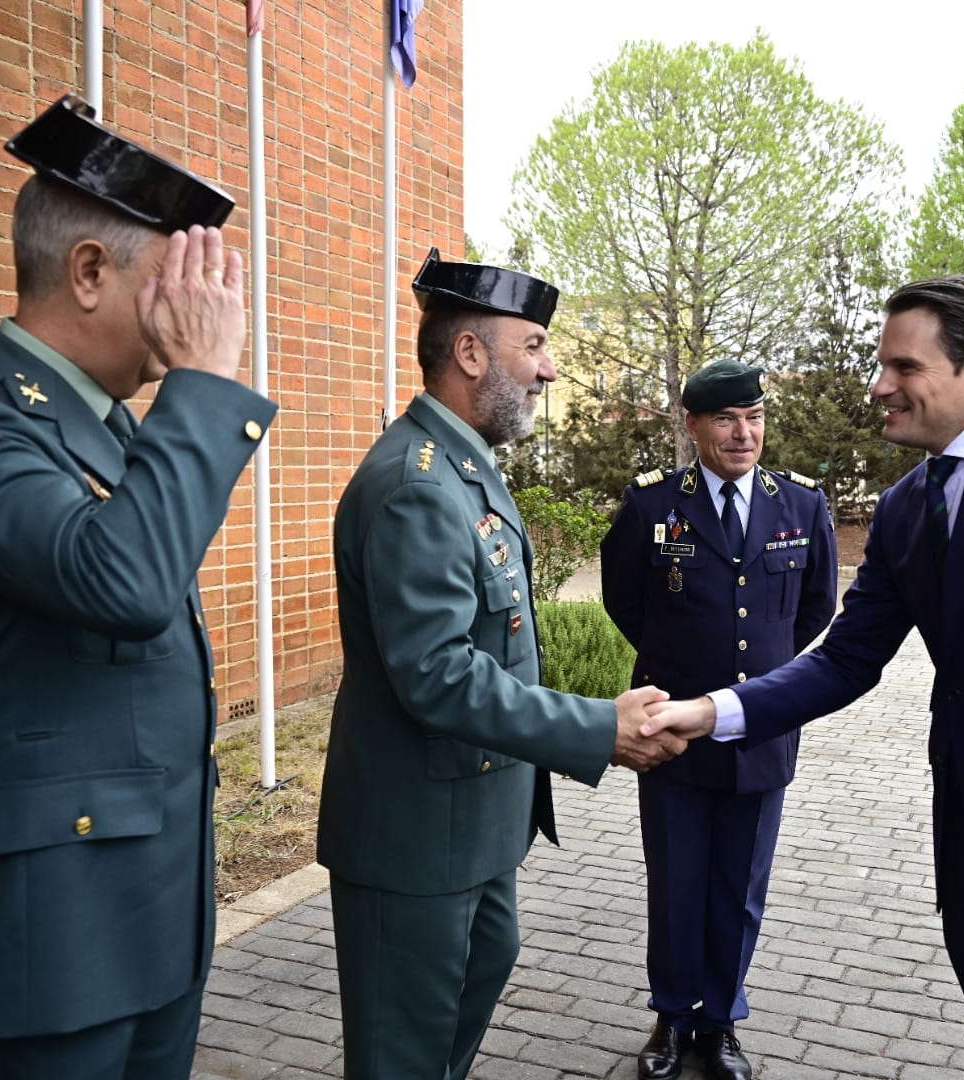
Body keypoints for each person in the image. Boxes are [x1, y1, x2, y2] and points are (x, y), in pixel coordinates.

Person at [642, 275, 964, 1080]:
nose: (878, 387)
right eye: (880, 365)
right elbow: (846, 659)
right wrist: (709, 712)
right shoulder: (902, 509)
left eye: (903, 367)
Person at [0, 94, 275, 1079]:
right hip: (44, 938)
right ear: (91, 271)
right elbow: (129, 581)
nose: (204, 311)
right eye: (178, 282)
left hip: (148, 912)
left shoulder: (111, 428)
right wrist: (208, 384)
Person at [316, 248, 686, 1079]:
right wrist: (596, 726)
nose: (550, 370)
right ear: (471, 354)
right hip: (415, 843)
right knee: (402, 1058)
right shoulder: (417, 483)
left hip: (473, 832)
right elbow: (439, 673)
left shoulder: (463, 468)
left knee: (447, 1044)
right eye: (536, 346)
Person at [600, 361, 838, 1080]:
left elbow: (815, 608)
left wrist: (763, 684)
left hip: (760, 730)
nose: (745, 432)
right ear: (693, 427)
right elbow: (625, 601)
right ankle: (673, 1020)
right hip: (670, 728)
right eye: (727, 419)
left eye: (755, 417)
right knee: (676, 882)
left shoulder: (800, 504)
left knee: (741, 886)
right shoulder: (650, 507)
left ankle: (722, 1022)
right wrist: (677, 669)